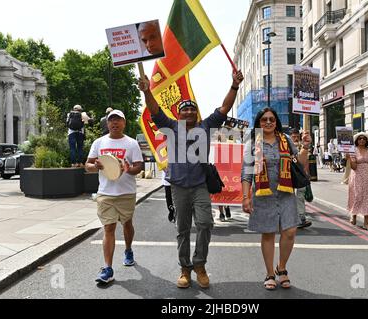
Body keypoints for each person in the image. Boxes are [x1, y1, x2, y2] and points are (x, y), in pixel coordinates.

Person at [138, 69, 244, 289]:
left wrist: (234, 86)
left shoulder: (206, 126)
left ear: (197, 114)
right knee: (182, 229)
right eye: (184, 110)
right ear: (178, 115)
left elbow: (224, 109)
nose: (187, 112)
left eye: (191, 110)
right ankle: (185, 269)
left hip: (200, 186)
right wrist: (147, 91)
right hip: (178, 188)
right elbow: (155, 109)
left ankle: (200, 265)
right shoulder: (171, 127)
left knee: (205, 223)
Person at [242, 107, 311, 290]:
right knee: (269, 233)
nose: (268, 122)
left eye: (271, 119)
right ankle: (270, 273)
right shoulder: (252, 143)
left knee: (290, 231)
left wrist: (305, 146)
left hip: (286, 192)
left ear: (276, 122)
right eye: (264, 119)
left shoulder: (286, 140)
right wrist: (245, 197)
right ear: (259, 122)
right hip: (263, 194)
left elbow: (300, 162)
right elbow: (246, 173)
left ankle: (282, 268)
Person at [85, 110, 144, 284]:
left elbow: (139, 166)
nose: (115, 123)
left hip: (126, 192)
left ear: (124, 123)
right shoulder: (99, 142)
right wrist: (95, 166)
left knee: (127, 223)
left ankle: (128, 249)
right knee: (108, 228)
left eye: (118, 120)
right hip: (105, 193)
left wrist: (128, 169)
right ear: (107, 124)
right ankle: (108, 268)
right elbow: (87, 165)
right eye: (112, 120)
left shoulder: (131, 143)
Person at [346, 132, 368, 231]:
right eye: (360, 139)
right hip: (357, 176)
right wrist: (349, 159)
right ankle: (354, 215)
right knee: (357, 196)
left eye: (364, 139)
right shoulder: (353, 151)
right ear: (356, 140)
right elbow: (354, 167)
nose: (362, 140)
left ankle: (366, 222)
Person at [290, 128, 312, 229]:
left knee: (300, 196)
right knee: (288, 197)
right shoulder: (286, 145)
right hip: (289, 175)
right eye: (293, 136)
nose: (295, 138)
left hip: (300, 176)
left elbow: (304, 161)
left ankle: (301, 218)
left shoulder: (302, 145)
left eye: (297, 137)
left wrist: (307, 174)